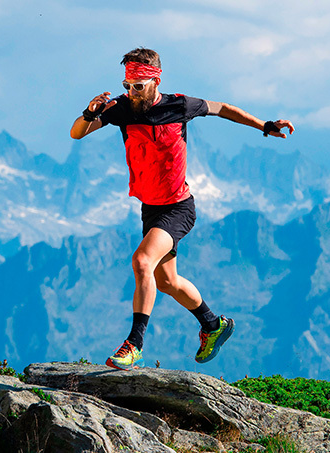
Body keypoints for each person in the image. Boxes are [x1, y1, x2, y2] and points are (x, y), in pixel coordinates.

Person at [70, 48, 294, 371]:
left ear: (155, 80)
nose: (131, 91)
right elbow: (77, 133)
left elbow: (223, 110)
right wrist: (90, 113)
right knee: (166, 282)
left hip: (178, 209)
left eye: (138, 85)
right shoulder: (121, 109)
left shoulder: (180, 105)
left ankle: (135, 343)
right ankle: (213, 324)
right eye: (127, 83)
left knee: (142, 260)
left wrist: (264, 125)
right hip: (151, 209)